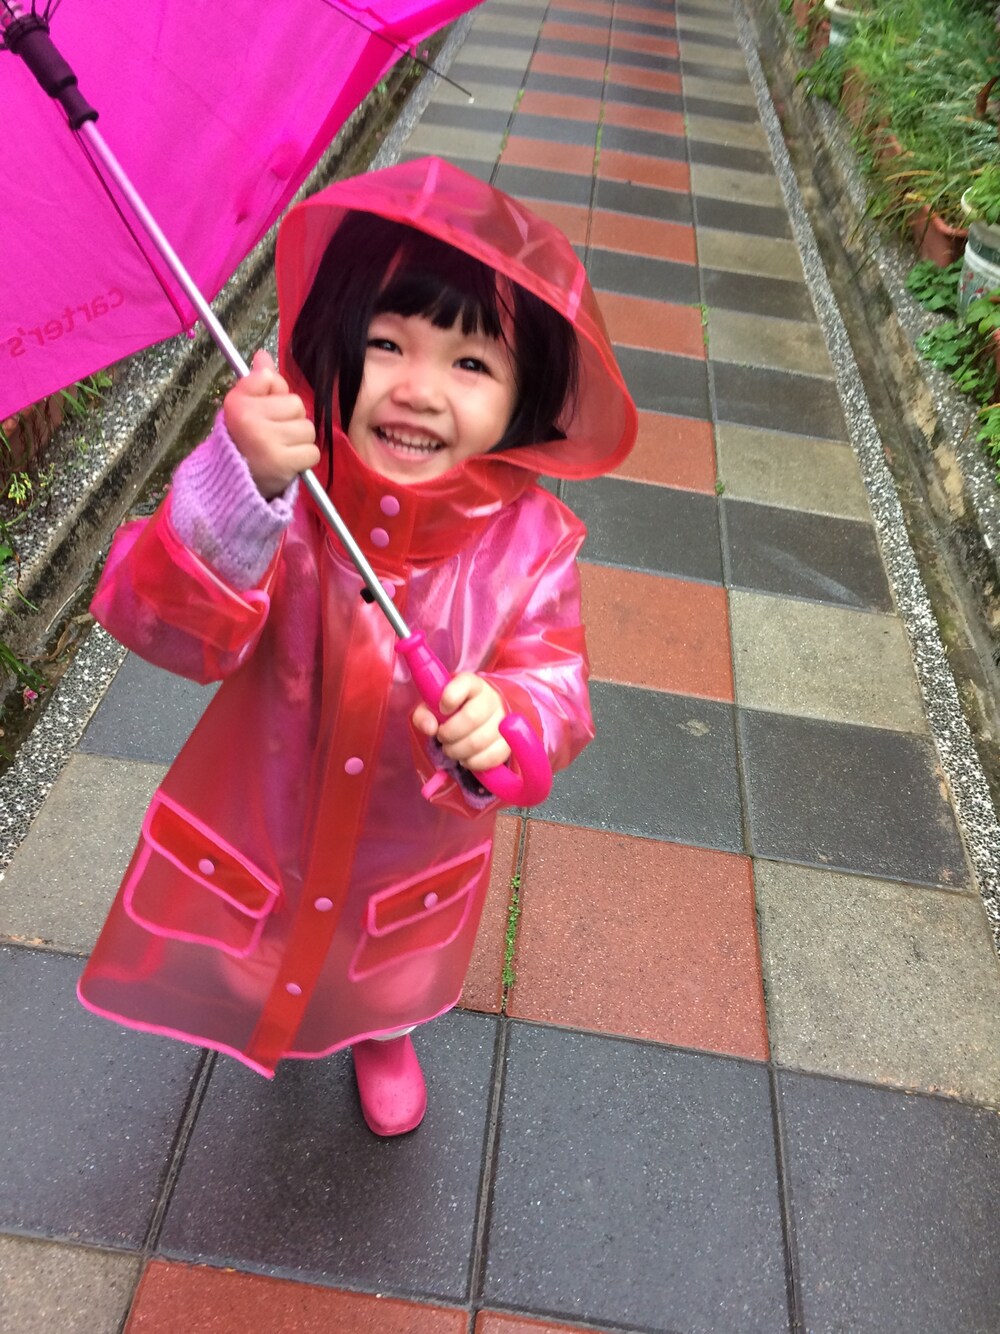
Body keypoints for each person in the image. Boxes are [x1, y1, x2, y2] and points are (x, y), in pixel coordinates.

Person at [77, 157, 637, 1136]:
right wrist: (238, 486)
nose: (418, 390)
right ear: (334, 340)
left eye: (470, 364)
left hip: (405, 847)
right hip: (269, 810)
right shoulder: (292, 496)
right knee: (271, 933)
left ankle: (382, 1029)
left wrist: (503, 718)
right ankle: (290, 1001)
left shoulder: (531, 545)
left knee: (385, 961)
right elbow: (155, 620)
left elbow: (554, 683)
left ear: (527, 393)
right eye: (385, 344)